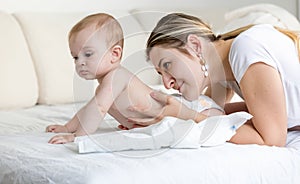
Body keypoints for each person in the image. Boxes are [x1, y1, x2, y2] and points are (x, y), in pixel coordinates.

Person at [46, 13, 224, 144]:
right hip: (175, 115)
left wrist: (77, 137)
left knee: (216, 124)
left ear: (114, 54)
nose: (80, 63)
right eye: (76, 57)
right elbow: (90, 108)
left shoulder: (116, 76)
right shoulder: (106, 84)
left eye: (88, 54)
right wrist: (68, 127)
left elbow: (98, 109)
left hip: (190, 108)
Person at [127, 12, 300, 147]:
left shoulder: (245, 49)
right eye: (160, 74)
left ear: (195, 46)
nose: (166, 83)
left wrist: (187, 115)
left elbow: (272, 140)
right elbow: (217, 113)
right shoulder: (225, 68)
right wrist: (168, 116)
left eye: (167, 65)